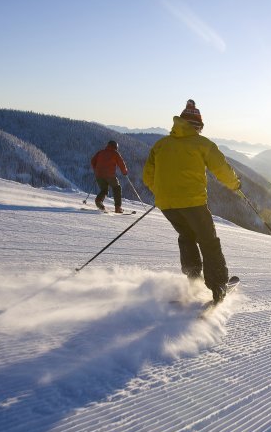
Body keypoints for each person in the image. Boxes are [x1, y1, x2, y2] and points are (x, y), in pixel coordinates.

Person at [143, 99, 241, 304]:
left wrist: (163, 193)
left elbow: (148, 176)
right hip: (193, 203)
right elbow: (221, 169)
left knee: (186, 237)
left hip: (167, 204)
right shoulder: (202, 144)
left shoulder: (160, 145)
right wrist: (235, 186)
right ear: (197, 126)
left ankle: (193, 281)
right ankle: (218, 285)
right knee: (208, 240)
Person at [91, 140, 128, 212]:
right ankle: (117, 208)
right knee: (117, 188)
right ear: (115, 147)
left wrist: (96, 169)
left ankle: (98, 201)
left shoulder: (100, 152)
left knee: (104, 190)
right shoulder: (115, 153)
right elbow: (121, 163)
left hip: (99, 175)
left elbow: (92, 161)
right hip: (110, 175)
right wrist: (124, 172)